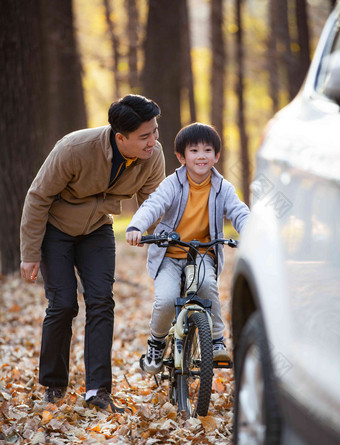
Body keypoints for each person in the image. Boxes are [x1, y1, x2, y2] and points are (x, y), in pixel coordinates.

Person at [20, 94, 165, 412]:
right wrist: (30, 253)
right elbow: (38, 196)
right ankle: (54, 385)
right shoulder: (74, 149)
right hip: (56, 230)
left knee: (101, 301)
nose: (153, 141)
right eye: (145, 136)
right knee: (63, 305)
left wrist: (165, 237)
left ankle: (98, 391)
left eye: (155, 131)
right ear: (121, 138)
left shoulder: (152, 155)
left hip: (98, 230)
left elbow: (155, 202)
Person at [126, 122, 250, 374]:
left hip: (202, 253)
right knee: (166, 299)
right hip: (170, 255)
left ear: (217, 156)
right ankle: (157, 343)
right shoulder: (172, 184)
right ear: (181, 157)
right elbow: (153, 205)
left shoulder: (222, 188)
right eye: (193, 151)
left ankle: (216, 341)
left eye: (207, 150)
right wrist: (136, 226)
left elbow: (239, 212)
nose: (201, 156)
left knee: (207, 287)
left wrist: (254, 233)